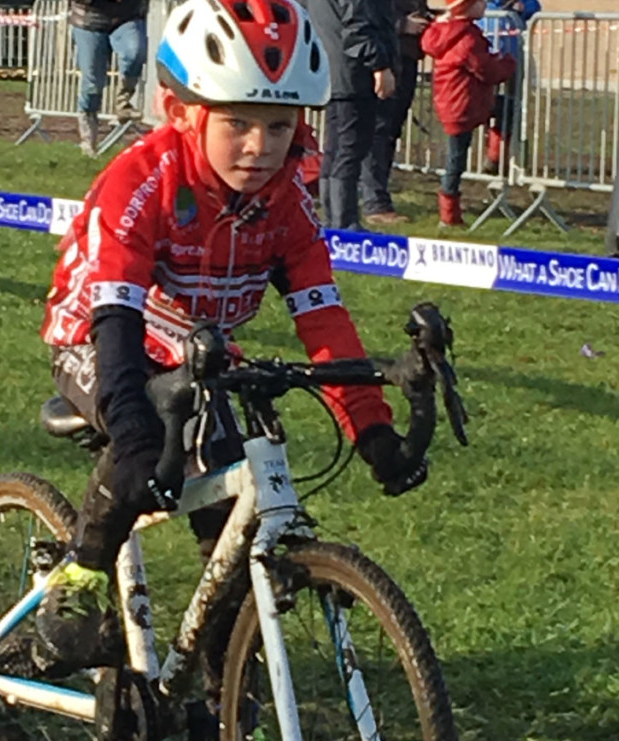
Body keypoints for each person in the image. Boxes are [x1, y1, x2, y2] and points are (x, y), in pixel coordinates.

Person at [37, 0, 427, 668]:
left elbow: (323, 320)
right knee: (142, 447)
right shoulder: (141, 182)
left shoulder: (285, 203)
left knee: (228, 532)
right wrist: (130, 419)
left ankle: (218, 713)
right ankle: (78, 576)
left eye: (279, 126)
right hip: (99, 335)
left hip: (197, 351)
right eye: (237, 124)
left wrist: (370, 429)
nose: (259, 146)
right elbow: (115, 315)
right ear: (182, 110)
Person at [421, 0, 515, 226]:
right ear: (468, 7)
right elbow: (486, 70)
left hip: (455, 101)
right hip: (463, 104)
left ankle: (494, 155)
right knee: (456, 159)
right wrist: (508, 64)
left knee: (503, 109)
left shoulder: (444, 32)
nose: (484, 5)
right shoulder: (468, 38)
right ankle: (449, 214)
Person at [306, 0, 398, 230]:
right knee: (350, 148)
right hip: (353, 73)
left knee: (335, 149)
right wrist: (379, 65)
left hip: (332, 70)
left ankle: (332, 220)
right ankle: (344, 222)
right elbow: (357, 27)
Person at [359, 0, 432, 224]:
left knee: (390, 131)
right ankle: (375, 202)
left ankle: (375, 193)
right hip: (384, 56)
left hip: (405, 56)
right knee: (377, 131)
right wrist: (401, 25)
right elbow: (363, 12)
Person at [69, 0, 148, 157]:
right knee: (92, 83)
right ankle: (88, 140)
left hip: (128, 16)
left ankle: (123, 102)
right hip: (89, 20)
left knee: (135, 52)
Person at [478, 0, 539, 173]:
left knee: (509, 106)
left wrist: (524, 7)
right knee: (484, 106)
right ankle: (487, 151)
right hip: (484, 55)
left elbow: (534, 7)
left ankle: (497, 155)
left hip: (511, 55)